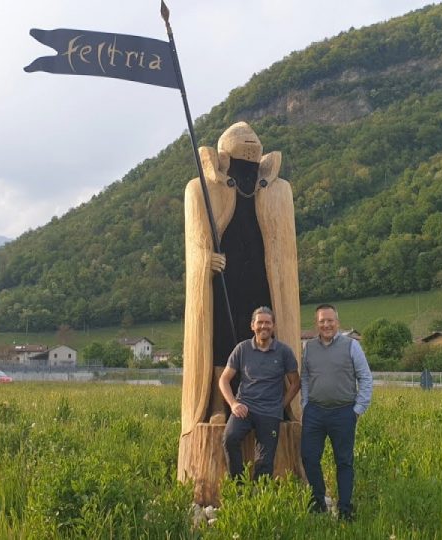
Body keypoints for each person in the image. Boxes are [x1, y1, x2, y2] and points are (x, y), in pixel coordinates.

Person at [178, 122, 302, 480]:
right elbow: (195, 240)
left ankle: (272, 405)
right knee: (221, 334)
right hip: (223, 279)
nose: (246, 174)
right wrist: (205, 260)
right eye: (240, 165)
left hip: (262, 281)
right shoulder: (199, 189)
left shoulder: (278, 192)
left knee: (264, 340)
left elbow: (284, 245)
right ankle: (219, 404)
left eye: (252, 165)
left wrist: (277, 271)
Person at [301, 303, 373, 520]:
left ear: (337, 322)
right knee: (309, 457)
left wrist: (358, 410)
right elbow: (305, 377)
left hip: (344, 412)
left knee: (343, 461)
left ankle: (344, 509)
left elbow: (366, 378)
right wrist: (305, 403)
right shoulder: (309, 347)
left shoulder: (351, 346)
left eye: (330, 320)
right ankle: (318, 503)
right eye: (322, 321)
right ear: (317, 324)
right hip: (314, 412)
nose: (326, 324)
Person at [218, 306, 300, 481]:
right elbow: (224, 380)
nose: (264, 326)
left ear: (273, 326)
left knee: (264, 460)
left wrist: (281, 405)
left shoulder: (284, 351)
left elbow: (295, 383)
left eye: (268, 323)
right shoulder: (242, 349)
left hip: (270, 412)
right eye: (260, 323)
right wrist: (234, 404)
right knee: (229, 438)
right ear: (252, 326)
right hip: (244, 408)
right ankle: (239, 486)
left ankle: (259, 496)